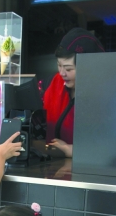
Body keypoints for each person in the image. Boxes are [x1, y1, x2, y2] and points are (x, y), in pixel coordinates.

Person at [43, 27, 105, 158]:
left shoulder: (105, 94)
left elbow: (112, 148)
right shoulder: (56, 82)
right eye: (59, 65)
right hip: (53, 164)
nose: (62, 73)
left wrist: (72, 150)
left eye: (68, 69)